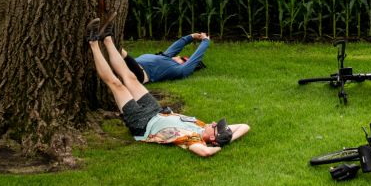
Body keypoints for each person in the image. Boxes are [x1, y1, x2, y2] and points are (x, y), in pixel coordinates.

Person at [86, 19, 249, 157]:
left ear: (213, 138)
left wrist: (217, 145)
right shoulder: (201, 126)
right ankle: (107, 38)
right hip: (156, 111)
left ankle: (93, 42)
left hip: (142, 124)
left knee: (117, 85)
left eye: (215, 127)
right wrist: (226, 138)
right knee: (131, 77)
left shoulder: (193, 140)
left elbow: (205, 152)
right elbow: (244, 126)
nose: (213, 123)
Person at [121, 32, 211, 84]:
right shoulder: (165, 57)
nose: (178, 56)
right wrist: (192, 36)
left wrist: (205, 41)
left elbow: (195, 58)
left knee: (119, 51)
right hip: (126, 65)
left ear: (183, 63)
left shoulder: (178, 70)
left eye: (181, 58)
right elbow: (179, 44)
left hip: (137, 73)